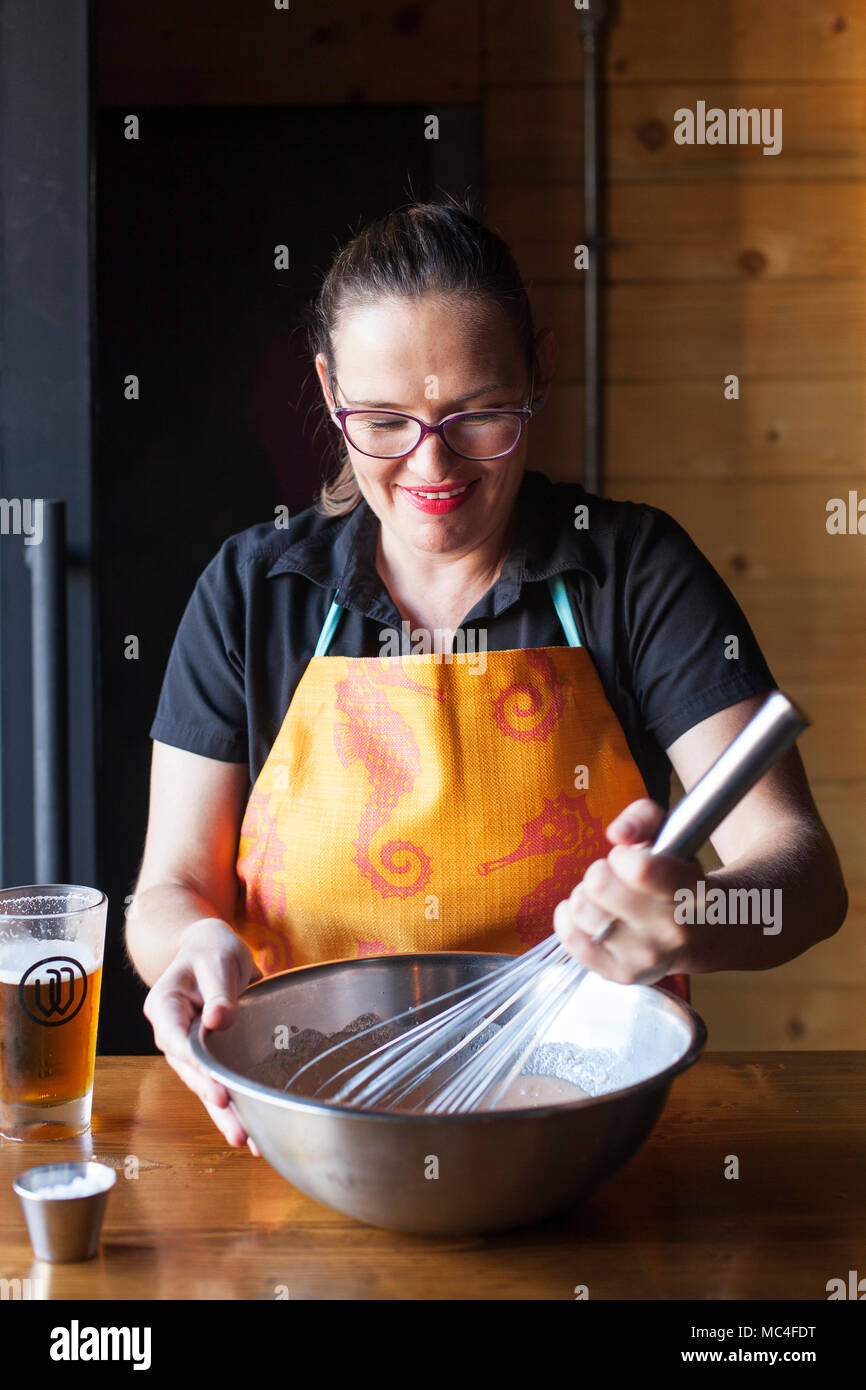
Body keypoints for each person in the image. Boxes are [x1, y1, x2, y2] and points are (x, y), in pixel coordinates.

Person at [126, 198, 847, 1150]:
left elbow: (804, 872)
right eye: (383, 421)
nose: (432, 464)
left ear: (537, 373)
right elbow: (169, 888)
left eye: (477, 415)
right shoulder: (253, 592)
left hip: (573, 1122)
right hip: (305, 1111)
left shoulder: (631, 571)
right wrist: (192, 943)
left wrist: (699, 916)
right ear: (327, 389)